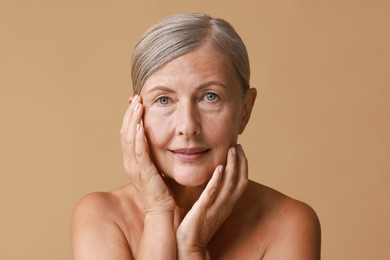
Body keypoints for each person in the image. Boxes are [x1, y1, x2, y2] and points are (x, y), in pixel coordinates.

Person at [71, 13, 321, 259]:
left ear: (245, 110)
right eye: (164, 100)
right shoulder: (101, 217)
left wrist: (192, 247)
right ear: (137, 114)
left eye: (210, 96)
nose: (187, 126)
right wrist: (158, 211)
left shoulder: (289, 223)